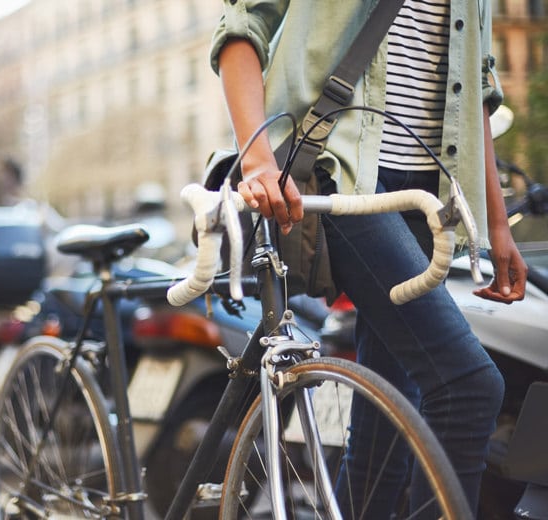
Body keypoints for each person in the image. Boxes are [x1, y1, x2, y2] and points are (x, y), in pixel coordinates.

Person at [210, 0, 528, 517]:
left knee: (384, 426)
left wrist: (496, 222)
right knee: (468, 385)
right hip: (341, 170)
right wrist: (260, 161)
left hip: (431, 192)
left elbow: (479, 85)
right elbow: (244, 26)